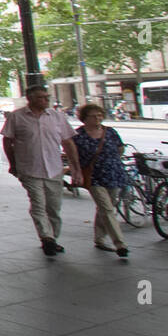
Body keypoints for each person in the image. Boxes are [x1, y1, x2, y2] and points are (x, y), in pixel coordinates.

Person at [1, 84, 83, 257]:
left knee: (54, 208)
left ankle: (52, 238)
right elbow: (8, 141)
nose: (46, 100)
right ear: (30, 99)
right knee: (38, 204)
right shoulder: (16, 117)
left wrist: (76, 168)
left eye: (47, 97)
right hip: (29, 168)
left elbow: (68, 142)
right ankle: (46, 238)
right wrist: (13, 164)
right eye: (41, 97)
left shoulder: (57, 117)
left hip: (54, 169)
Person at [71, 103, 129, 258]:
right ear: (84, 118)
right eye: (93, 116)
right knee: (107, 209)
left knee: (106, 208)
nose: (97, 118)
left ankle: (99, 238)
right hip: (93, 177)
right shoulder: (78, 135)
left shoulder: (109, 132)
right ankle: (120, 243)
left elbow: (120, 148)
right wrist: (76, 171)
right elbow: (73, 156)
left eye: (99, 115)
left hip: (113, 173)